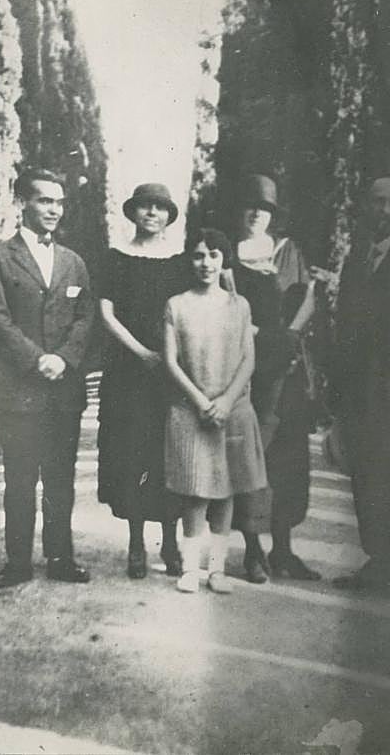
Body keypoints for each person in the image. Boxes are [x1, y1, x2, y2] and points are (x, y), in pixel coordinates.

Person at [0, 167, 94, 589]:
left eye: (59, 202)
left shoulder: (73, 262)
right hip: (18, 391)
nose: (53, 210)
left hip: (63, 390)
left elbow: (85, 319)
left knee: (60, 479)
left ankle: (61, 558)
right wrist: (37, 360)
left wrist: (63, 359)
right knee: (21, 480)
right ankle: (17, 563)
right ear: (23, 202)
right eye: (45, 200)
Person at [332, 177, 390, 592]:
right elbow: (344, 325)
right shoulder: (356, 259)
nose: (384, 210)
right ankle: (379, 561)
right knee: (365, 475)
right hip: (359, 388)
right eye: (378, 202)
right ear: (365, 207)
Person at [164, 228, 268, 594]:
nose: (205, 263)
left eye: (213, 255)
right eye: (198, 255)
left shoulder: (239, 305)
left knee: (225, 492)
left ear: (224, 260)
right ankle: (190, 569)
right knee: (195, 492)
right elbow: (171, 361)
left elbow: (248, 359)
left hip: (231, 409)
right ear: (189, 261)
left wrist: (224, 402)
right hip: (192, 410)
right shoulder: (177, 304)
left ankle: (217, 569)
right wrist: (202, 402)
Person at [97, 183, 191, 579]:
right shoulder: (116, 259)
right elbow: (106, 313)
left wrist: (169, 359)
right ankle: (136, 543)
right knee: (132, 453)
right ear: (133, 212)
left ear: (169, 215)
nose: (151, 213)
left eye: (159, 207)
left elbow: (191, 312)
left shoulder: (181, 263)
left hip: (170, 373)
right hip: (128, 372)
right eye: (144, 207)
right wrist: (142, 354)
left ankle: (170, 542)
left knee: (167, 454)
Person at [230, 174, 321, 582]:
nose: (255, 215)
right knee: (249, 456)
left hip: (285, 369)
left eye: (264, 209)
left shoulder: (289, 253)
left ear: (272, 216)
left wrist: (289, 339)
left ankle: (283, 550)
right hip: (242, 370)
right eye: (249, 206)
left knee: (287, 459)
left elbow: (306, 302)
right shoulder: (226, 254)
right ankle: (252, 549)